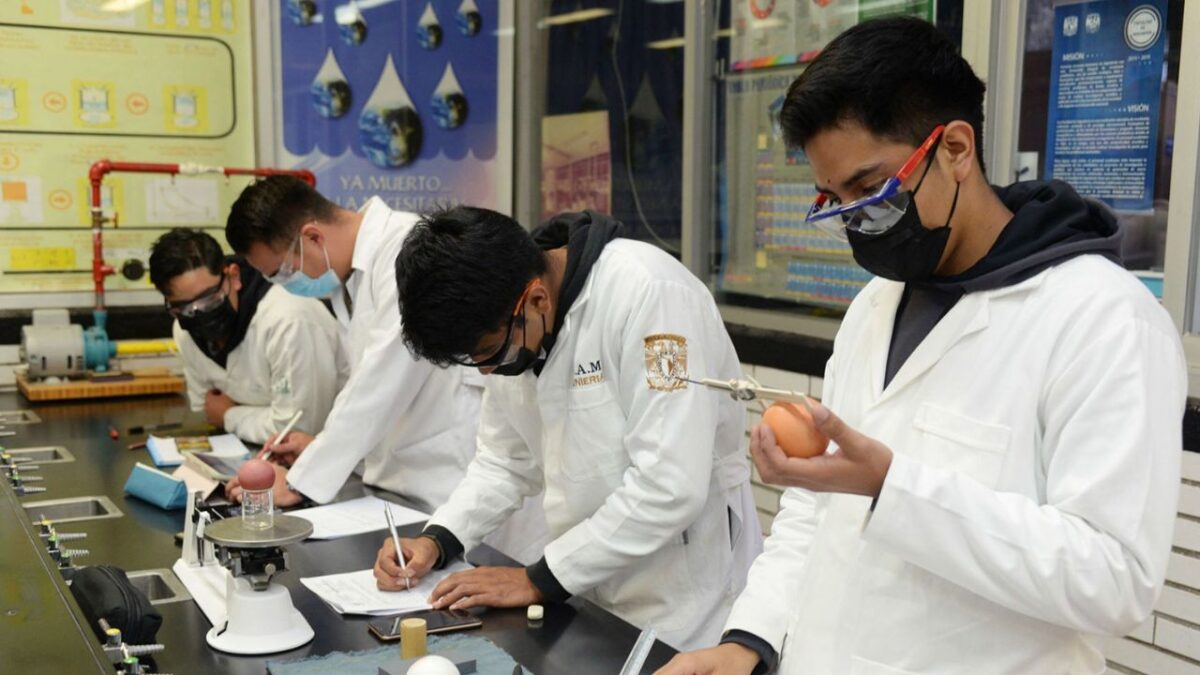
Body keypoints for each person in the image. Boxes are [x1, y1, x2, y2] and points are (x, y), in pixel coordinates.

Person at [658, 16, 1186, 675]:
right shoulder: (874, 308)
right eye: (834, 199)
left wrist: (893, 488)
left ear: (957, 149)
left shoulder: (1103, 319)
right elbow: (815, 508)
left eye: (871, 189)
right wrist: (752, 638)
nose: (856, 221)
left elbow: (1115, 579)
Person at [372, 207, 762, 651]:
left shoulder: (651, 295)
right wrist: (438, 539)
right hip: (587, 585)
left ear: (536, 299)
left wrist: (540, 579)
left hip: (685, 593)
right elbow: (505, 460)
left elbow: (669, 484)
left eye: (487, 352)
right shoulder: (514, 321)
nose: (484, 372)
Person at [223, 177, 546, 564]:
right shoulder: (353, 278)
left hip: (455, 483)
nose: (284, 284)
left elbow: (380, 384)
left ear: (312, 237)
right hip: (410, 490)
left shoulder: (408, 250)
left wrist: (298, 482)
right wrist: (317, 450)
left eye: (281, 272)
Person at [148, 228, 345, 445]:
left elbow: (297, 432)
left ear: (233, 276)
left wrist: (229, 415)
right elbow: (208, 409)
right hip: (248, 451)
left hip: (338, 459)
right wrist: (242, 416)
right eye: (184, 308)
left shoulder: (289, 320)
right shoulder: (184, 331)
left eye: (210, 300)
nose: (200, 314)